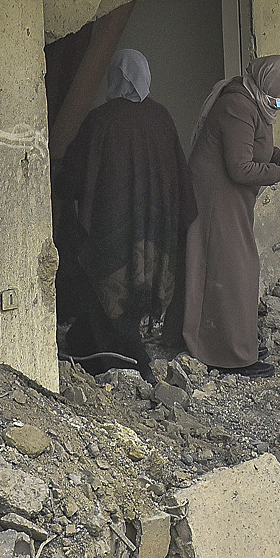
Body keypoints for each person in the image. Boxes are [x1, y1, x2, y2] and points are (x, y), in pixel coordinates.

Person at [54, 49, 195, 382]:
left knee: (107, 285)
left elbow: (73, 175)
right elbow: (179, 173)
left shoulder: (102, 119)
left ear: (116, 78)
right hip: (155, 227)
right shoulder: (161, 117)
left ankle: (132, 360)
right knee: (129, 289)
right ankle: (86, 343)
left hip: (113, 226)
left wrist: (61, 181)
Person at [179, 55, 280, 378]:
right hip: (215, 198)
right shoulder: (238, 107)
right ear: (266, 84)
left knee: (231, 268)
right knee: (234, 271)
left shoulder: (255, 104)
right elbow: (240, 167)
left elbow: (262, 149)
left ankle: (233, 345)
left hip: (229, 199)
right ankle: (228, 355)